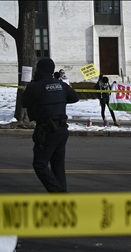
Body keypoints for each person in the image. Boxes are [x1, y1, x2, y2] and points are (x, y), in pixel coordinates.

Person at [21, 58, 79, 192]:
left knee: (40, 165)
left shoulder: (35, 86)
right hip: (62, 130)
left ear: (40, 70)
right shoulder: (61, 85)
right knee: (58, 166)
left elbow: (24, 102)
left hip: (47, 130)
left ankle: (60, 194)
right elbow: (75, 97)